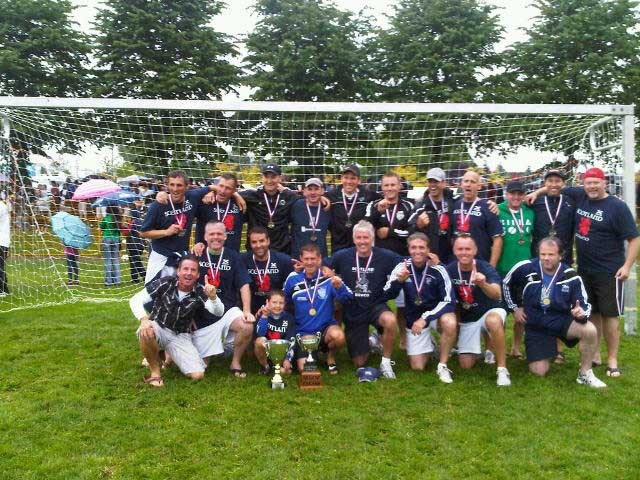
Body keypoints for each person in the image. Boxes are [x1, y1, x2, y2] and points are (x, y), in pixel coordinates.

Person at [533, 167, 640, 377]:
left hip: (610, 271)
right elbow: (554, 188)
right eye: (588, 183)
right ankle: (595, 353)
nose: (591, 186)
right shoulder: (580, 195)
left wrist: (627, 266)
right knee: (593, 312)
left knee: (610, 315)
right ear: (583, 184)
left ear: (604, 183)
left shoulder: (617, 207)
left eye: (596, 183)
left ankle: (612, 360)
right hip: (584, 269)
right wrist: (536, 193)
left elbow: (634, 238)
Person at [503, 237, 607, 388]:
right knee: (539, 371)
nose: (546, 258)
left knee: (590, 330)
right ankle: (546, 349)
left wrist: (581, 313)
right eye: (543, 254)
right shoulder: (525, 268)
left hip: (560, 320)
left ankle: (585, 373)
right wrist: (515, 307)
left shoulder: (571, 275)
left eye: (551, 254)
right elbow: (506, 283)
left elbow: (584, 304)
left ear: (561, 255)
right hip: (536, 324)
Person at [130, 255, 224, 387]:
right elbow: (135, 300)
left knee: (198, 375)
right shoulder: (165, 282)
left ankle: (165, 354)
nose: (188, 273)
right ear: (178, 271)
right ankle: (155, 374)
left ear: (197, 275)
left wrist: (213, 298)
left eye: (193, 270)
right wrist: (144, 320)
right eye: (185, 269)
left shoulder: (199, 291)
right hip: (158, 326)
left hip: (180, 336)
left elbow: (218, 311)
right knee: (146, 332)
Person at [327, 220, 403, 378]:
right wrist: (327, 272)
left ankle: (386, 362)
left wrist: (431, 261)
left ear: (372, 238)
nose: (362, 241)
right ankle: (372, 341)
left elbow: (406, 262)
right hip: (354, 309)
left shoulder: (385, 256)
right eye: (359, 237)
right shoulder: (343, 256)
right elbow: (324, 264)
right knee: (359, 362)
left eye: (366, 237)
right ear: (354, 239)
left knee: (390, 320)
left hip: (376, 305)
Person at [383, 233, 458, 384]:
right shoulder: (402, 267)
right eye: (414, 247)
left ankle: (442, 365)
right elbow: (386, 294)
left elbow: (449, 301)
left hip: (436, 316)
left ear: (428, 249)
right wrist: (399, 281)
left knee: (450, 322)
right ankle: (430, 344)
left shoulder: (438, 268)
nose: (418, 251)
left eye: (421, 247)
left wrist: (426, 318)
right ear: (408, 249)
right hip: (414, 319)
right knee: (418, 366)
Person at [446, 236, 511, 386]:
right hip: (469, 318)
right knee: (466, 365)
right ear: (455, 251)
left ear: (475, 250)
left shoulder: (485, 268)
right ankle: (479, 349)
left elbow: (497, 294)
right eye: (460, 249)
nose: (464, 253)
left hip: (490, 310)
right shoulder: (450, 270)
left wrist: (483, 284)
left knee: (493, 321)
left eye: (468, 249)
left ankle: (502, 369)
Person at [195, 221, 255, 378]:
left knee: (247, 325)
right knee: (202, 367)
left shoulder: (233, 256)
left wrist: (247, 311)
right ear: (205, 237)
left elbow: (244, 285)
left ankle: (235, 362)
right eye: (212, 234)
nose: (216, 237)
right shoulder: (196, 254)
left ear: (225, 236)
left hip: (227, 311)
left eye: (219, 234)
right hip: (201, 313)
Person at [140, 170, 220, 284]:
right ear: (167, 186)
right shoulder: (159, 205)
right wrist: (166, 232)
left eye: (179, 185)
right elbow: (143, 232)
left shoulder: (193, 196)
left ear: (187, 187)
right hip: (161, 257)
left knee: (178, 293)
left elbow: (214, 187)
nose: (175, 189)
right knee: (151, 294)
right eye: (172, 185)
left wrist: (213, 193)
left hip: (182, 257)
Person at [283, 243, 353, 373]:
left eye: (313, 259)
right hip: (303, 332)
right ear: (301, 259)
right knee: (305, 370)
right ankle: (308, 355)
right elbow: (283, 302)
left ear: (319, 259)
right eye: (306, 259)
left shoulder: (328, 278)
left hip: (325, 329)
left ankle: (330, 359)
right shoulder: (292, 279)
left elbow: (348, 298)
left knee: (338, 336)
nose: (310, 262)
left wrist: (339, 287)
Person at [497, 180, 535, 359]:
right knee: (502, 311)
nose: (516, 197)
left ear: (524, 195)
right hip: (503, 268)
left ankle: (516, 347)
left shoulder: (529, 211)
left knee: (522, 311)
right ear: (506, 194)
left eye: (520, 194)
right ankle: (500, 345)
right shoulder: (497, 210)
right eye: (513, 193)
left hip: (524, 270)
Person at [240, 164, 301, 254]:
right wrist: (212, 191)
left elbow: (307, 199)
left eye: (273, 177)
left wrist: (322, 198)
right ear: (262, 178)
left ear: (280, 178)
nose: (269, 181)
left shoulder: (288, 196)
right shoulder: (252, 195)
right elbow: (228, 193)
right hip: (256, 250)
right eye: (266, 177)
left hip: (282, 250)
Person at [451, 170, 503, 266]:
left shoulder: (488, 207)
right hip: (457, 264)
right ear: (461, 184)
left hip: (480, 264)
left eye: (472, 182)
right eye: (466, 181)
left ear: (479, 186)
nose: (468, 184)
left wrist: (491, 266)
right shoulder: (454, 205)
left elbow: (497, 239)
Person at [240, 226, 295, 314]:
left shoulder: (283, 260)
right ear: (250, 244)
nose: (258, 245)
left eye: (262, 241)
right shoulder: (242, 260)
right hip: (250, 309)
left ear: (268, 241)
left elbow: (290, 289)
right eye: (254, 242)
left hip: (277, 310)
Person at [325, 164, 379, 253]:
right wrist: (322, 198)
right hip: (338, 246)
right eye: (346, 178)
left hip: (361, 246)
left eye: (353, 178)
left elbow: (385, 199)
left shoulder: (369, 195)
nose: (349, 181)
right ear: (341, 179)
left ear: (359, 180)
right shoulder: (331, 195)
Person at [529, 169, 576, 265]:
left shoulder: (571, 202)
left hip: (564, 258)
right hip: (540, 257)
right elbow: (514, 204)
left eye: (557, 181)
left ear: (563, 183)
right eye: (550, 181)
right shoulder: (535, 201)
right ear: (545, 183)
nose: (554, 184)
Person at [409, 167, 455, 263]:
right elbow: (409, 230)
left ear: (443, 183)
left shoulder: (453, 202)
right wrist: (418, 225)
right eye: (430, 181)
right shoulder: (420, 206)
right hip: (428, 257)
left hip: (450, 256)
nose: (432, 185)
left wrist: (488, 203)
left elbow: (469, 202)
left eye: (436, 181)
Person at [365, 172, 415, 256]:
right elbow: (365, 228)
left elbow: (412, 233)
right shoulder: (373, 205)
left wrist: (390, 232)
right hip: (379, 257)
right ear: (381, 187)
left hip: (402, 256)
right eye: (386, 185)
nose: (389, 188)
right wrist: (378, 212)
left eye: (393, 185)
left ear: (399, 186)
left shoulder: (408, 206)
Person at [194, 173, 245, 252]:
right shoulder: (205, 201)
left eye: (228, 188)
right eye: (221, 186)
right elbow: (188, 195)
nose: (223, 191)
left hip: (230, 257)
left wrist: (237, 195)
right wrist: (209, 190)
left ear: (234, 190)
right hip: (205, 256)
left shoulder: (240, 204)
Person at [254, 289, 296, 375]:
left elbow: (292, 340)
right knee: (259, 341)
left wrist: (288, 359)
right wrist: (265, 316)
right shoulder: (261, 314)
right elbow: (259, 334)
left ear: (285, 304)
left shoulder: (289, 318)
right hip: (267, 352)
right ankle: (265, 366)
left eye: (281, 303)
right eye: (274, 302)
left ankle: (277, 367)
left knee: (286, 372)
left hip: (282, 353)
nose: (277, 306)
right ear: (267, 302)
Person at [291, 178, 331, 258]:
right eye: (309, 189)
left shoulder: (327, 208)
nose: (313, 192)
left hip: (320, 257)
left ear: (322, 191)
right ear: (304, 191)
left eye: (316, 189)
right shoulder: (296, 206)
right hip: (299, 257)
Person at [122, 199, 146, 283]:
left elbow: (128, 232)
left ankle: (144, 276)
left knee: (135, 262)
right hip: (140, 244)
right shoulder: (141, 221)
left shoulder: (133, 222)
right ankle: (135, 278)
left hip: (133, 244)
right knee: (134, 261)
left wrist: (125, 226)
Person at [100, 205, 121, 286]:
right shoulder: (118, 218)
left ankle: (108, 281)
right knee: (115, 260)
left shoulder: (106, 218)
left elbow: (101, 227)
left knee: (108, 260)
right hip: (116, 239)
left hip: (107, 239)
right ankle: (117, 281)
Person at [0, 197, 10, 296]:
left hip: (1, 241)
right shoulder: (3, 205)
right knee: (1, 265)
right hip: (4, 241)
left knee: (0, 266)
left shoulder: (1, 206)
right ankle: (5, 289)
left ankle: (2, 290)